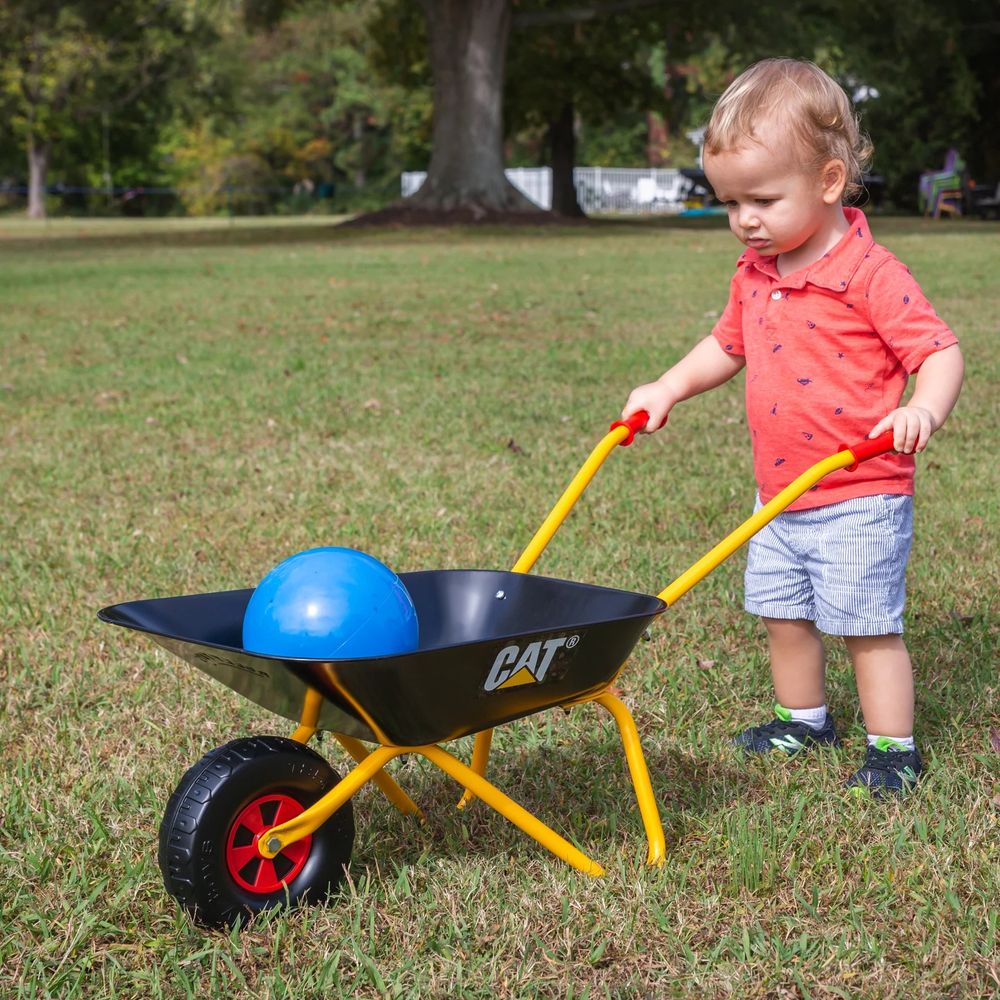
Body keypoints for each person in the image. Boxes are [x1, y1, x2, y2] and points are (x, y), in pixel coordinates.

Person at [622, 58, 964, 798]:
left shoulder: (870, 273)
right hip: (778, 494)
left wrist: (922, 409)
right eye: (730, 202)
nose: (744, 220)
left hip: (859, 492)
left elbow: (939, 352)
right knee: (783, 615)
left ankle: (893, 748)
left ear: (829, 181)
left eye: (763, 200)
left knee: (866, 626)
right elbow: (726, 346)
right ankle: (804, 720)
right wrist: (667, 387)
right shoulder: (755, 272)